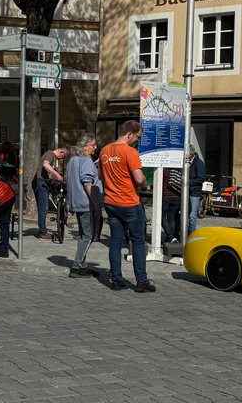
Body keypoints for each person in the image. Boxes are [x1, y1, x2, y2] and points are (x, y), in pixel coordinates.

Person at [100, 120, 153, 292]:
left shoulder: (105, 151)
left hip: (111, 202)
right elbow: (139, 179)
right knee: (138, 241)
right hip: (130, 203)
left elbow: (101, 177)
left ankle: (116, 280)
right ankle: (141, 281)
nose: (137, 141)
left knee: (115, 242)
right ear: (129, 134)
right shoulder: (130, 152)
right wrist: (145, 182)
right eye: (137, 137)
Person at [65, 134, 100, 277]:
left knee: (84, 235)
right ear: (85, 146)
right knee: (88, 236)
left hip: (77, 202)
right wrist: (97, 205)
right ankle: (77, 265)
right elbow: (87, 184)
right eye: (93, 144)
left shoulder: (73, 160)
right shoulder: (86, 160)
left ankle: (83, 266)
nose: (95, 147)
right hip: (86, 203)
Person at [32, 147, 67, 240]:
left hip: (41, 181)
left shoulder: (53, 157)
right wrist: (57, 174)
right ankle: (42, 233)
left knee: (42, 207)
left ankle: (42, 230)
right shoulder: (50, 154)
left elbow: (48, 172)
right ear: (61, 152)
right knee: (43, 207)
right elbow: (45, 165)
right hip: (41, 182)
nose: (61, 159)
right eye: (63, 157)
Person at [185, 147, 206, 237]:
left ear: (191, 154)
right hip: (187, 191)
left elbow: (201, 179)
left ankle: (191, 235)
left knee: (193, 216)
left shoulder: (199, 163)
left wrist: (189, 182)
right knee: (185, 214)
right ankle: (185, 233)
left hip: (194, 192)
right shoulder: (187, 163)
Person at [159, 165, 183, 243]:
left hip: (166, 195)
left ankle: (170, 236)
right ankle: (170, 239)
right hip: (176, 195)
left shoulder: (163, 168)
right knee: (171, 218)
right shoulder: (179, 168)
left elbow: (160, 181)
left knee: (161, 216)